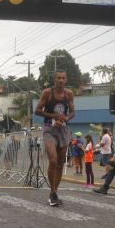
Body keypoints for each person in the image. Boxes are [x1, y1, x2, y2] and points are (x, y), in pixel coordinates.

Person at [35, 69, 74, 206]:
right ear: (54, 79)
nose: (61, 80)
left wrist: (65, 118)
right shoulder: (47, 93)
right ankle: (52, 191)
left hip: (63, 130)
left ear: (66, 79)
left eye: (63, 78)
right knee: (53, 160)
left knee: (60, 163)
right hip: (49, 130)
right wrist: (54, 116)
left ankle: (54, 193)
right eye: (58, 78)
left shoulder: (69, 94)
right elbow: (38, 111)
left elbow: (73, 112)